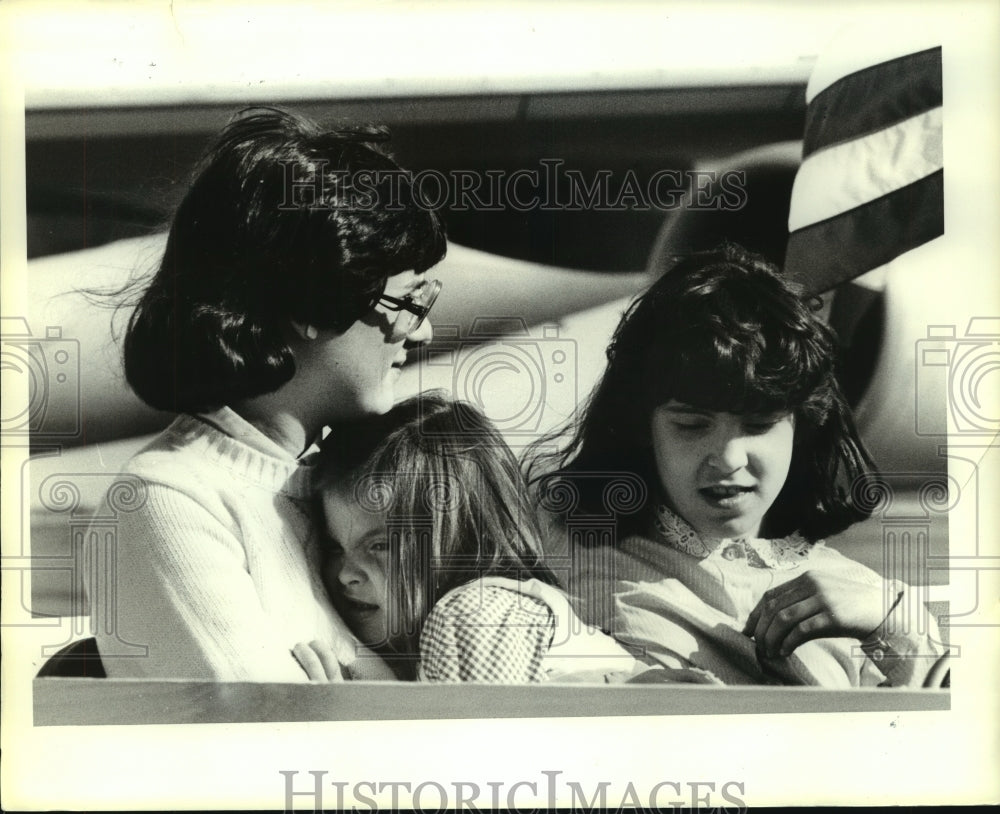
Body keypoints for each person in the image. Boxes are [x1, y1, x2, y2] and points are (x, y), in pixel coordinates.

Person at [89, 106, 446, 681]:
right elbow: (259, 752)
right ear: (315, 303)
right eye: (407, 304)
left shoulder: (328, 488)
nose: (422, 331)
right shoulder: (170, 500)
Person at [529, 244, 944, 687]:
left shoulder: (856, 595)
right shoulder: (560, 563)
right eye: (691, 425)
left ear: (802, 428)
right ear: (641, 427)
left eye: (760, 424)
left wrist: (896, 627)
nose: (727, 458)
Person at [295, 392, 706, 684]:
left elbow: (470, 780)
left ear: (459, 538)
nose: (346, 574)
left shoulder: (475, 614)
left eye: (379, 545)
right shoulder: (500, 610)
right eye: (334, 547)